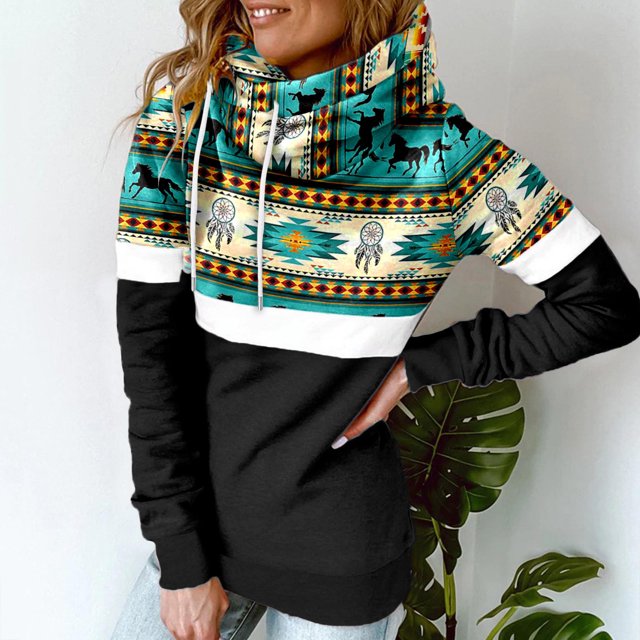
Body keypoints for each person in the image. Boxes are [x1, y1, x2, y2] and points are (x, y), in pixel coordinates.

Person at [110, 0, 640, 638]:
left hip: (344, 560)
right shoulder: (187, 123)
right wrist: (181, 560)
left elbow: (604, 306)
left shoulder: (444, 156)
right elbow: (152, 361)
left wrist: (419, 367)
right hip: (200, 539)